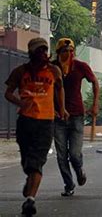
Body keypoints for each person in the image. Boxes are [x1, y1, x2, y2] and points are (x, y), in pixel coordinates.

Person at [4, 37, 67, 216]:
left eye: (45, 50)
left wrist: (62, 110)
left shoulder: (54, 71)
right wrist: (20, 103)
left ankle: (30, 200)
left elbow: (60, 89)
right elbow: (8, 93)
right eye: (39, 51)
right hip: (25, 121)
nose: (43, 54)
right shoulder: (20, 72)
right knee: (27, 161)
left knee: (37, 162)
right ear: (31, 53)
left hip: (46, 122)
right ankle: (29, 177)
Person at [52, 38, 99, 196]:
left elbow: (94, 82)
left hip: (77, 115)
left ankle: (79, 171)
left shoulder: (80, 66)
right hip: (58, 117)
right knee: (61, 155)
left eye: (71, 51)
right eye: (65, 51)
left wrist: (95, 104)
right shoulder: (52, 67)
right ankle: (69, 184)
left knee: (74, 154)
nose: (69, 54)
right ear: (58, 53)